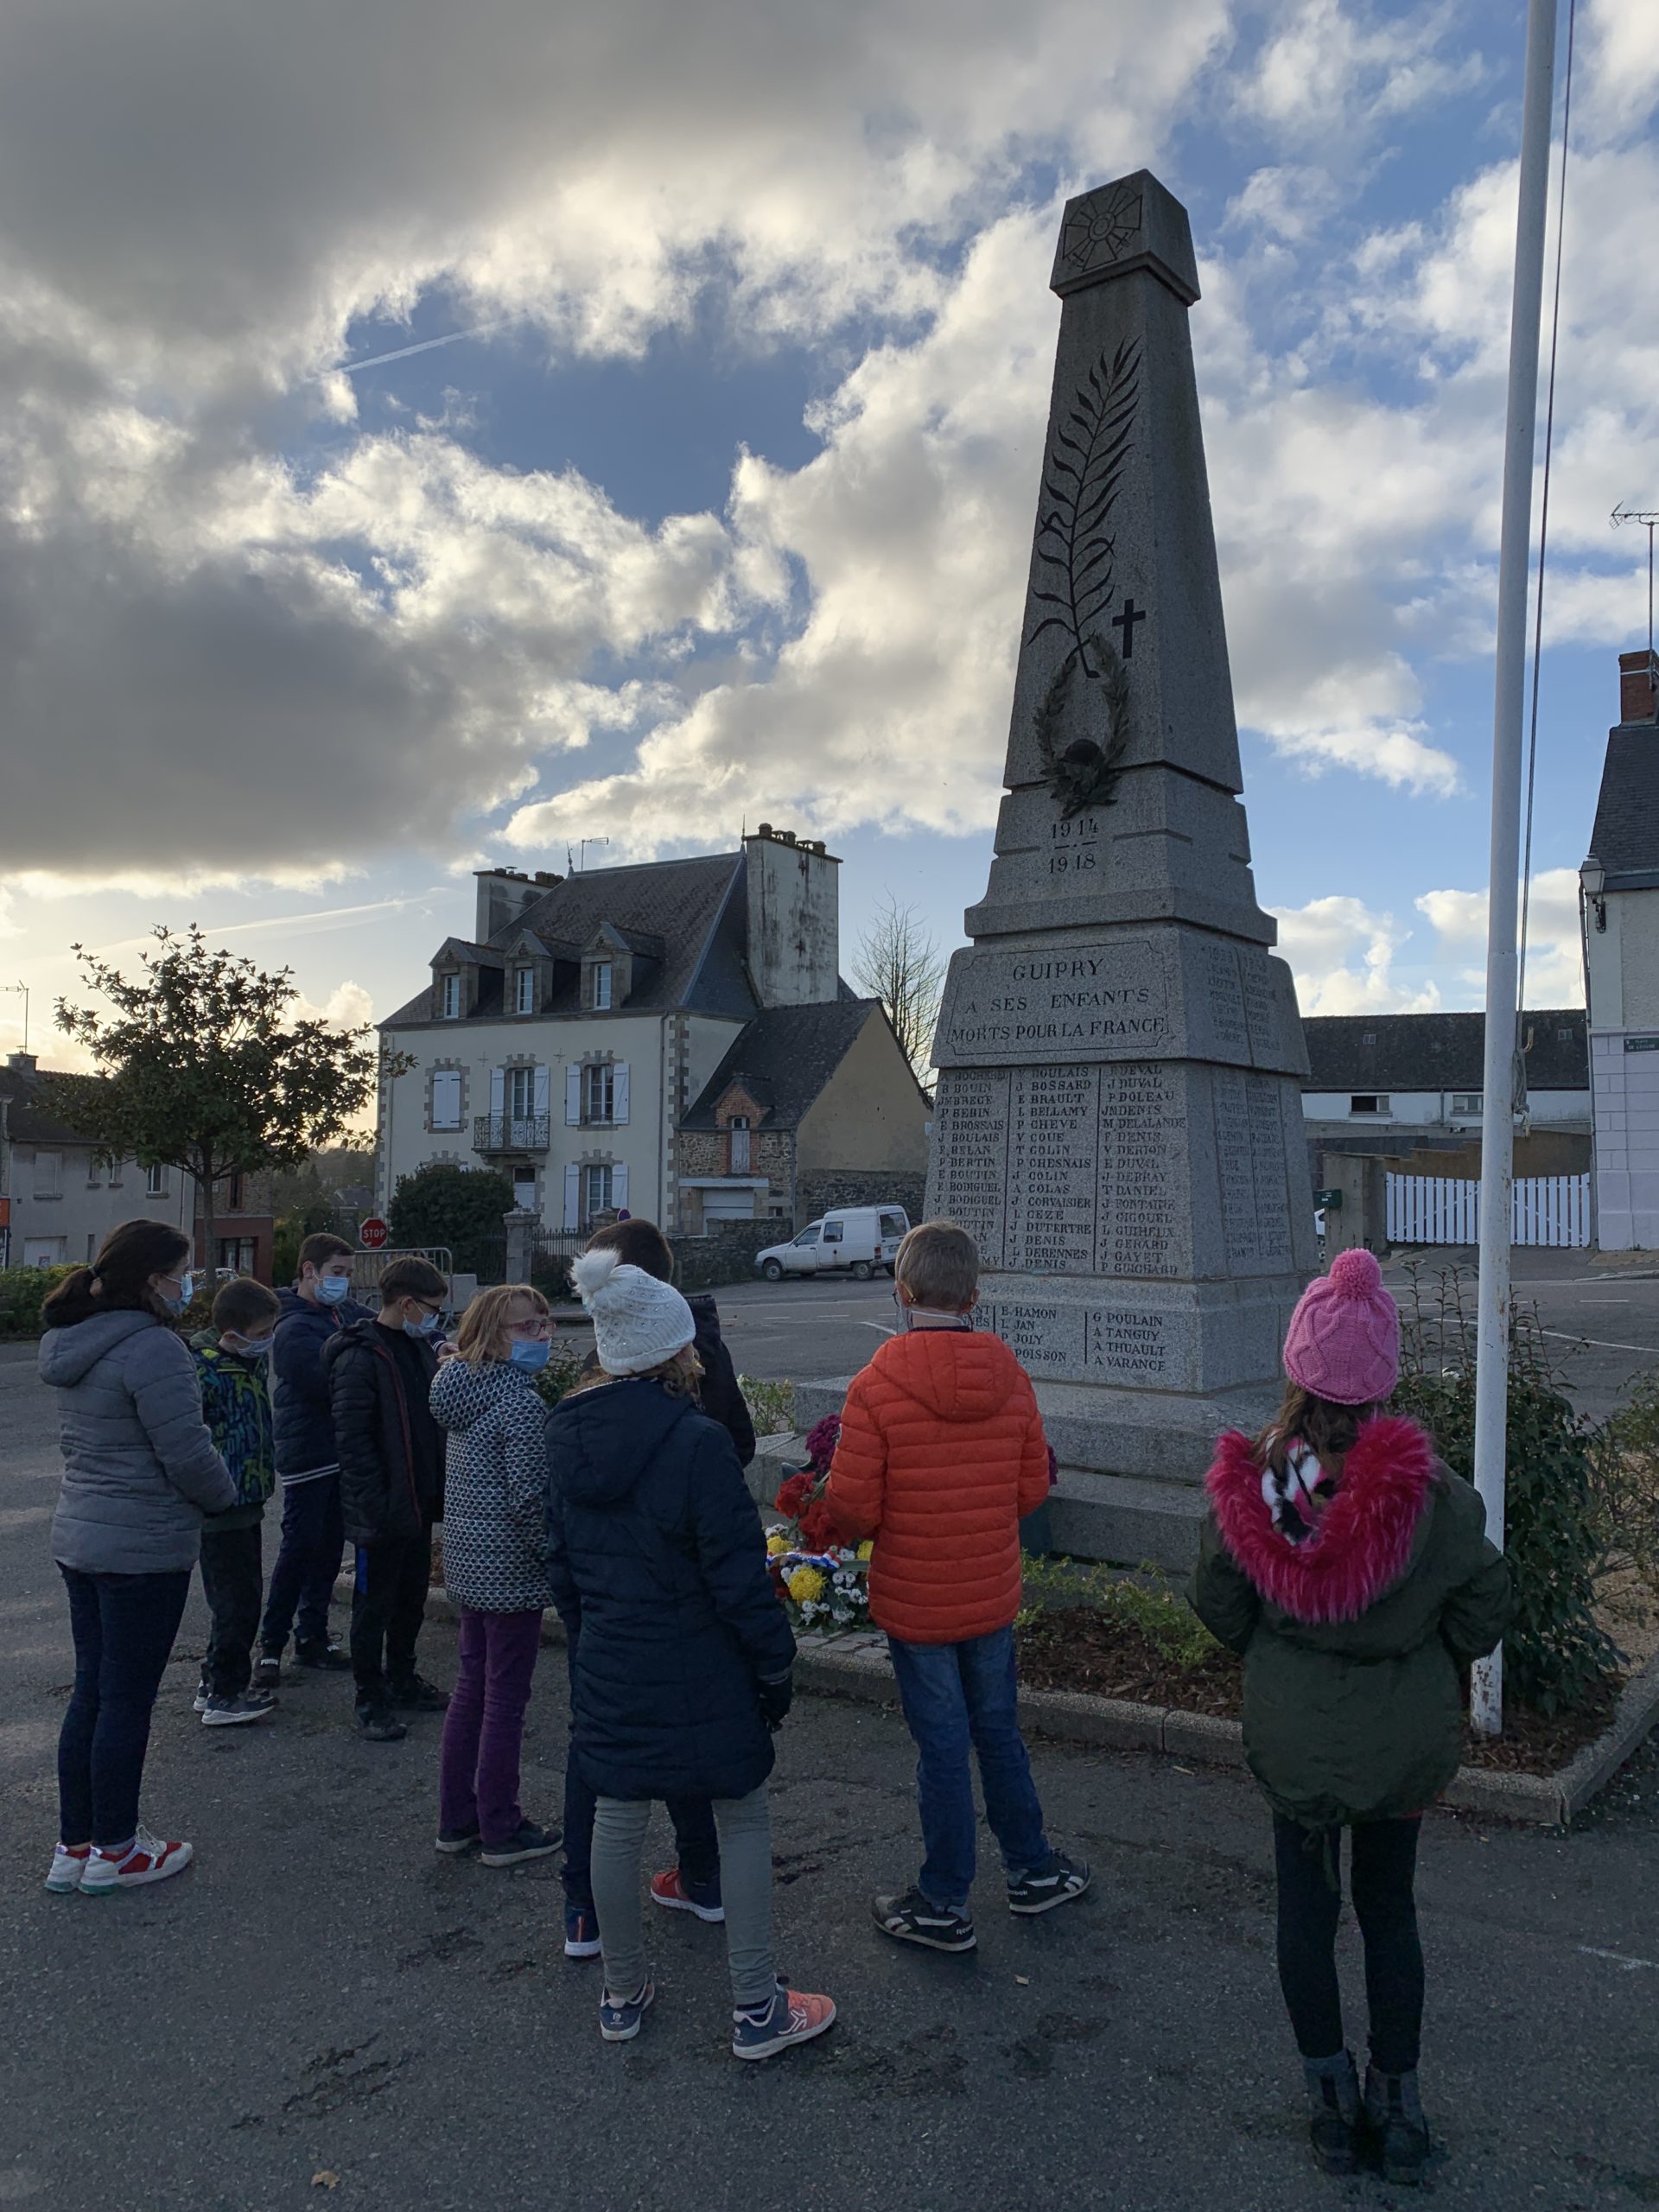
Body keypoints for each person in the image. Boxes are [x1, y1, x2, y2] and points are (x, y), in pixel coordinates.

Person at [1188, 1248, 1513, 2186]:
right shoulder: (1437, 1501)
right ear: (1383, 1383)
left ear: (1297, 1370)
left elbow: (1220, 1601)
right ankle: (1398, 2101)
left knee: (1304, 1909)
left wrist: (1281, 1658)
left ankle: (1329, 2103)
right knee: (1389, 1909)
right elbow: (1486, 1610)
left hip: (1294, 1732)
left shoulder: (1255, 1490)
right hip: (1399, 1736)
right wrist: (1422, 1655)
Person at [545, 1248, 835, 2060]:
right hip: (703, 1662)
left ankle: (621, 1991)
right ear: (675, 1348)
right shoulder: (697, 1442)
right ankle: (755, 2008)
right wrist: (773, 1668)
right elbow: (739, 1581)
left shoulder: (563, 1433)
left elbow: (560, 1564)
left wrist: (592, 1636)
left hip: (612, 1657)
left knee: (615, 1811)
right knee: (740, 1814)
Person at [824, 1218, 1089, 1954]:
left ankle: (944, 1899)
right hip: (990, 1590)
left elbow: (853, 1506)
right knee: (998, 1732)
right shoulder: (1010, 1373)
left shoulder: (876, 1384)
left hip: (916, 1598)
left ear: (902, 1291)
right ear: (975, 1295)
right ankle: (1032, 1869)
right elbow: (1033, 1487)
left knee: (941, 1748)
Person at [558, 1216, 755, 1955]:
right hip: (685, 1593)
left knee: (599, 1755)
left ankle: (585, 1911)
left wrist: (579, 1611)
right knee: (691, 1740)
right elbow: (736, 1441)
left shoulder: (587, 1389)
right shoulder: (690, 1357)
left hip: (608, 1608)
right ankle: (703, 1878)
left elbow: (559, 1533)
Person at [38, 1220, 237, 1894]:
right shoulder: (152, 1347)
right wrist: (225, 1498)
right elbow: (186, 1450)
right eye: (183, 1273)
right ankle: (119, 1849)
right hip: (142, 1546)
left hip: (83, 1536)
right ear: (154, 1278)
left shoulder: (75, 1338)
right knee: (125, 1700)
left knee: (93, 1691)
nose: (188, 1285)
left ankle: (78, 1843)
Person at [430, 1282, 561, 1866]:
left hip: (467, 1562)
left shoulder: (459, 1388)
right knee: (505, 1699)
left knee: (471, 1689)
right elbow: (529, 1500)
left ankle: (457, 1817)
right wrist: (555, 1561)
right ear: (492, 1336)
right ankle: (501, 1825)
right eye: (526, 1328)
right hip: (510, 1570)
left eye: (545, 1323)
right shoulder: (520, 1403)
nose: (542, 1335)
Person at [325, 1255, 452, 1743]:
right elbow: (353, 1442)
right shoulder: (361, 1355)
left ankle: (403, 1677)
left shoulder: (419, 1348)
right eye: (432, 1309)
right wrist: (372, 1506)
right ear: (405, 1302)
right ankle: (369, 1697)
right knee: (372, 1606)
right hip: (381, 1506)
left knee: (410, 1599)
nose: (437, 1319)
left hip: (418, 1500)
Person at [257, 1233, 369, 1686]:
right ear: (309, 1271)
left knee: (327, 1549)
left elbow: (381, 1323)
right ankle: (270, 1647)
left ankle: (312, 1637)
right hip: (309, 1454)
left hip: (338, 1452)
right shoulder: (293, 1326)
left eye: (347, 1274)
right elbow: (323, 1379)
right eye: (337, 1273)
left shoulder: (339, 1312)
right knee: (298, 1548)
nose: (343, 1282)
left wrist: (436, 1341)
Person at [191, 1277, 283, 1727]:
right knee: (237, 1603)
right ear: (232, 1334)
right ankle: (225, 1693)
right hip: (222, 1503)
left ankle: (213, 1680)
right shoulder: (204, 1369)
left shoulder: (245, 1362)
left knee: (238, 1597)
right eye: (263, 1332)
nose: (268, 1341)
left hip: (247, 1497)